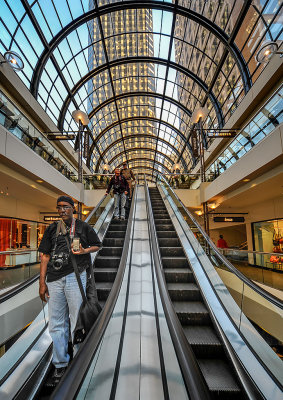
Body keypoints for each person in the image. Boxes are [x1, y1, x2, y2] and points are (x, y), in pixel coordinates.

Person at [38, 195, 101, 386]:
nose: (62, 210)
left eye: (66, 207)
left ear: (73, 208)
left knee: (76, 319)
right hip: (54, 280)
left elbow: (97, 244)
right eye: (59, 207)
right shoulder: (51, 229)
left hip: (76, 276)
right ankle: (60, 363)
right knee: (56, 322)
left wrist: (84, 251)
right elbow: (45, 256)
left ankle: (79, 360)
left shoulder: (83, 227)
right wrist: (42, 283)